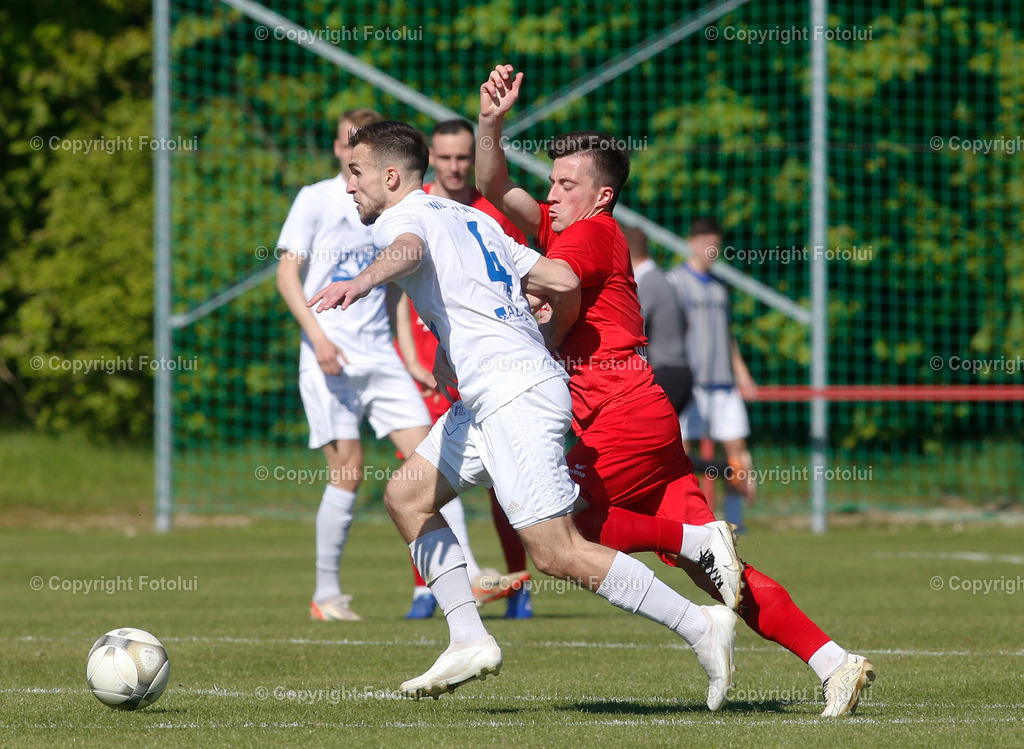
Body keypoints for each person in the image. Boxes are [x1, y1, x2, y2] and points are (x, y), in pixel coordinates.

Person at [475, 64, 874, 717]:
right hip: (645, 412)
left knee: (562, 531)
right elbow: (497, 182)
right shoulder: (566, 229)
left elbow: (549, 278)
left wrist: (496, 300)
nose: (550, 194)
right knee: (719, 571)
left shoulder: (590, 238)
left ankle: (693, 539)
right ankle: (835, 662)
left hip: (616, 414)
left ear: (601, 197)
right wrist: (492, 124)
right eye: (551, 181)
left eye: (565, 184)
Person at [308, 120, 742, 709]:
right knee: (407, 498)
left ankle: (700, 622)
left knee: (556, 550)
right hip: (496, 391)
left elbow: (407, 250)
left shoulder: (402, 218)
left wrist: (360, 281)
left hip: (513, 395)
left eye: (355, 173)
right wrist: (477, 336)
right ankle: (468, 637)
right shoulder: (475, 218)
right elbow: (560, 278)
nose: (348, 186)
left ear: (390, 176)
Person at [275, 108, 477, 622]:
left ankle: (468, 574)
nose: (350, 154)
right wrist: (317, 337)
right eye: (345, 144)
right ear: (338, 149)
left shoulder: (386, 210)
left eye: (358, 145)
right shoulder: (316, 199)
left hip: (379, 356)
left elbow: (393, 287)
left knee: (434, 462)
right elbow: (287, 277)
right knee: (348, 472)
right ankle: (326, 594)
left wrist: (406, 353)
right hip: (330, 356)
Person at [394, 119, 533, 619]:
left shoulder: (490, 212)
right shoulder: (413, 208)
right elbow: (401, 294)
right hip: (433, 371)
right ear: (430, 157)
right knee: (420, 482)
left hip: (488, 368)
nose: (455, 167)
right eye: (447, 157)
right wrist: (411, 356)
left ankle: (518, 585)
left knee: (503, 482)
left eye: (463, 158)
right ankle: (427, 589)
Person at [666, 217, 756, 531]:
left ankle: (736, 521)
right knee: (682, 454)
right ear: (691, 243)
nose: (710, 250)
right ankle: (690, 521)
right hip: (690, 383)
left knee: (737, 453)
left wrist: (741, 370)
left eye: (715, 245)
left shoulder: (720, 287)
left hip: (724, 384)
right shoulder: (675, 282)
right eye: (705, 243)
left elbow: (726, 334)